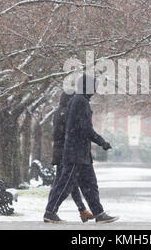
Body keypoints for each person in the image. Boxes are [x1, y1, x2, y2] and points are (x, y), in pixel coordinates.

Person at [44, 74, 119, 224]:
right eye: (94, 86)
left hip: (81, 153)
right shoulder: (80, 101)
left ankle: (99, 213)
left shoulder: (79, 100)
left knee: (90, 185)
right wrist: (101, 141)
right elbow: (85, 128)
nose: (96, 90)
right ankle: (50, 212)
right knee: (65, 184)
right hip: (75, 153)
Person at [49, 90, 95, 223]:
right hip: (65, 152)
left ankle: (81, 210)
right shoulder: (66, 113)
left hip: (62, 151)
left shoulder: (60, 112)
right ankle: (51, 211)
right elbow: (72, 131)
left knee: (68, 182)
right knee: (62, 183)